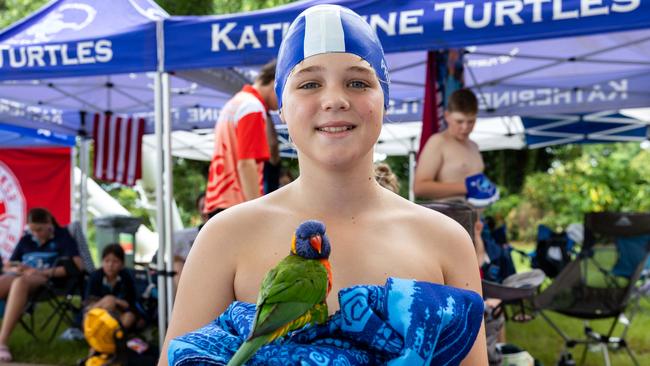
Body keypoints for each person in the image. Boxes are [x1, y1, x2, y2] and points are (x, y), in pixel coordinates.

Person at [160, 5, 486, 365]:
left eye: (358, 82)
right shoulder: (224, 237)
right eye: (309, 83)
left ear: (385, 100)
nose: (334, 100)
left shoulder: (446, 241)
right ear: (282, 106)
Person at [0, 207, 83, 362]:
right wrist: (15, 268)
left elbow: (77, 265)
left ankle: (2, 343)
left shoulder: (62, 237)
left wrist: (39, 271)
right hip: (20, 273)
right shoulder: (26, 239)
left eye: (39, 229)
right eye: (33, 230)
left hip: (45, 279)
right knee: (5, 280)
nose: (36, 234)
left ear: (49, 223)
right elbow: (6, 265)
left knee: (20, 282)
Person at [204, 60, 279, 217]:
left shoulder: (237, 102)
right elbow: (246, 164)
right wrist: (256, 210)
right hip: (237, 204)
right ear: (274, 83)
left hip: (220, 200)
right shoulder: (252, 107)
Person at [413, 88, 499, 207]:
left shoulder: (474, 146)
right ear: (447, 116)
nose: (465, 127)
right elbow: (419, 188)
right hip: (448, 219)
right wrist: (466, 187)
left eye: (471, 122)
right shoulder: (438, 142)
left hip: (474, 219)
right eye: (459, 121)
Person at [84, 244, 138, 331]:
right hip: (98, 313)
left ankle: (114, 337)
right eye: (107, 261)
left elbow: (131, 303)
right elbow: (88, 303)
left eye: (115, 261)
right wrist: (105, 302)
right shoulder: (95, 276)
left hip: (119, 313)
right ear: (102, 262)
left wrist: (115, 301)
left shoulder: (126, 276)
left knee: (129, 318)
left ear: (122, 264)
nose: (110, 265)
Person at [171, 193, 208, 292]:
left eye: (211, 206)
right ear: (198, 211)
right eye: (203, 207)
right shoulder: (184, 236)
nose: (207, 211)